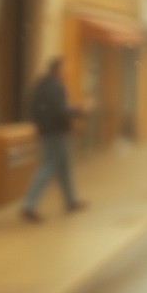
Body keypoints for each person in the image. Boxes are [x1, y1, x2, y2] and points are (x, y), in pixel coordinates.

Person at [21, 57, 88, 223]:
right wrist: (79, 109)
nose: (69, 70)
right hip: (55, 132)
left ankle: (71, 201)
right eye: (66, 67)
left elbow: (48, 109)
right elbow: (60, 111)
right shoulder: (55, 87)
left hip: (48, 130)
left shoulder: (44, 84)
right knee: (48, 166)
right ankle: (29, 205)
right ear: (58, 69)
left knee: (64, 167)